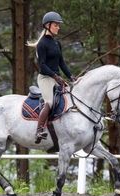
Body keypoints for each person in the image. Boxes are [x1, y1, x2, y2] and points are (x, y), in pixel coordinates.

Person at [27, 11, 75, 144]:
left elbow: (61, 63)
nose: (58, 27)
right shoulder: (42, 44)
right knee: (50, 102)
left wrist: (71, 77)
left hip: (56, 77)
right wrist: (55, 76)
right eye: (56, 25)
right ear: (48, 25)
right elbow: (42, 66)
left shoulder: (56, 43)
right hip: (45, 78)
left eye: (59, 25)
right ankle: (39, 130)